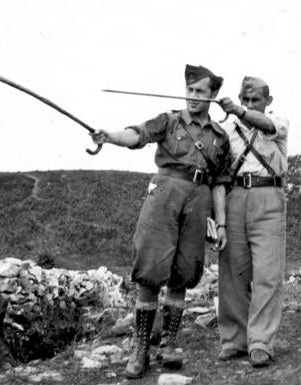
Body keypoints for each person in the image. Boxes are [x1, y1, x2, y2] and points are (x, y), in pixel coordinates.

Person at [90, 64, 230, 379]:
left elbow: (220, 182)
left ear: (213, 95)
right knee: (151, 270)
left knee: (183, 272)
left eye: (200, 92)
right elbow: (136, 135)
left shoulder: (219, 137)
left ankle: (169, 344)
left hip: (200, 199)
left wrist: (220, 224)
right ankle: (140, 348)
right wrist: (109, 136)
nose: (193, 97)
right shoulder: (168, 121)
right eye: (190, 91)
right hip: (165, 195)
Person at [216, 76, 289, 367]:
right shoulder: (226, 131)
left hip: (269, 197)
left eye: (254, 100)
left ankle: (261, 342)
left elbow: (268, 126)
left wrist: (239, 111)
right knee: (233, 270)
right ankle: (234, 340)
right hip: (235, 198)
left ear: (267, 102)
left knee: (268, 274)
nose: (247, 105)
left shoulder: (277, 122)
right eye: (244, 100)